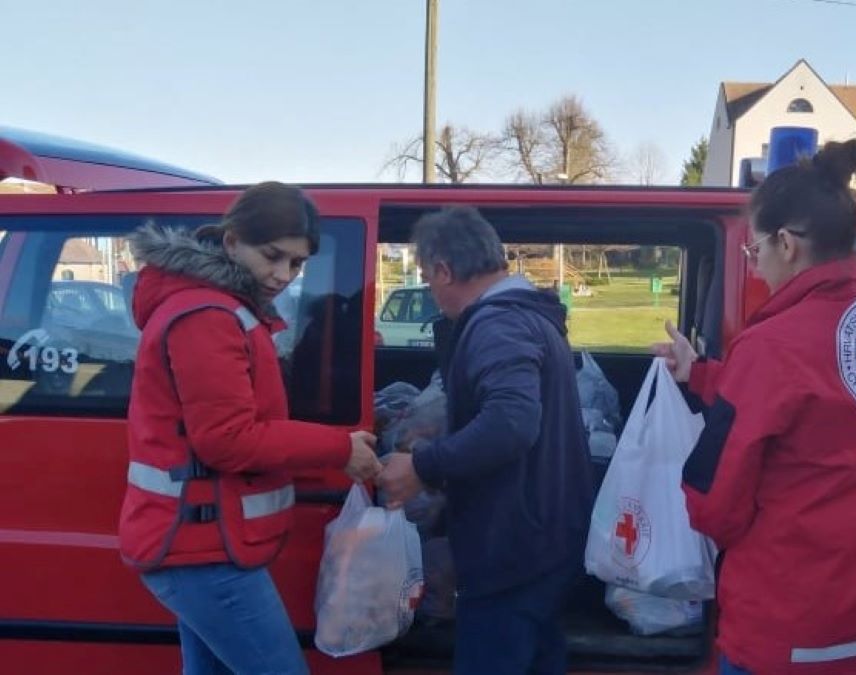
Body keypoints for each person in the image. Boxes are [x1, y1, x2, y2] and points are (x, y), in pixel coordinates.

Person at [655, 141, 856, 674]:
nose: (755, 267)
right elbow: (822, 416)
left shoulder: (773, 344)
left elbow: (716, 507)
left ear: (786, 243)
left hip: (788, 630)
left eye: (753, 252)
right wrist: (704, 375)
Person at [119, 182, 382, 675]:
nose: (283, 275)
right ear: (232, 239)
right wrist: (337, 447)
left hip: (200, 544)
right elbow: (227, 439)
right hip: (200, 549)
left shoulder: (221, 307)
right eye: (272, 256)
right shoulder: (207, 314)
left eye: (297, 264)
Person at [375, 206, 593, 675]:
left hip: (512, 546)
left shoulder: (498, 323)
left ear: (444, 271)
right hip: (544, 537)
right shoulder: (528, 314)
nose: (433, 294)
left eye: (429, 281)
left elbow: (511, 423)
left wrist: (422, 466)